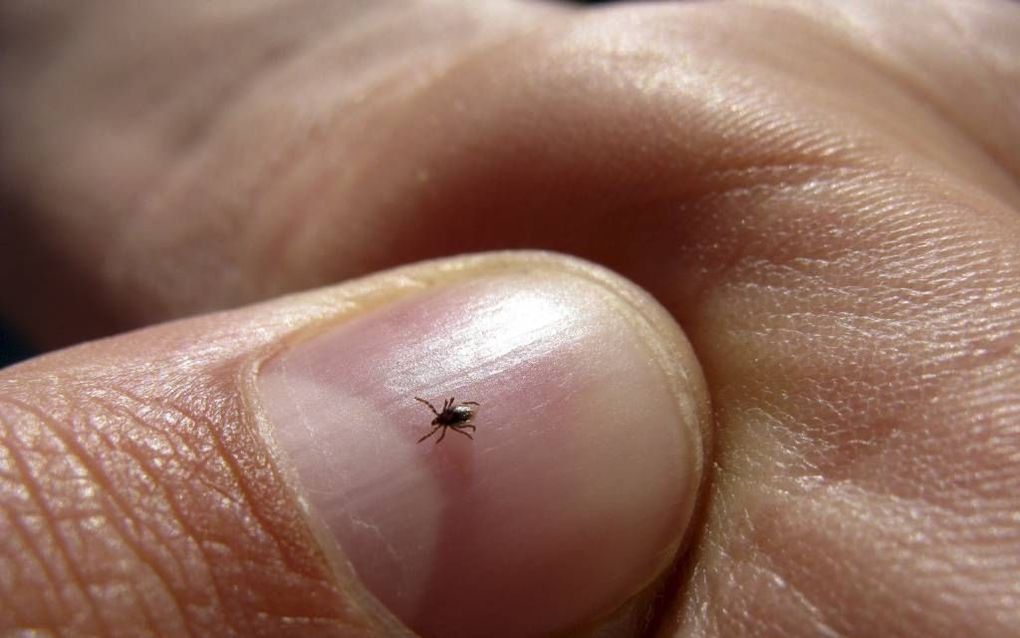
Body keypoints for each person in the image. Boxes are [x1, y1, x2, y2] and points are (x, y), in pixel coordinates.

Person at [1, 1, 1018, 636]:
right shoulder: (456, 417)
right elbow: (446, 417)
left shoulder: (448, 409)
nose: (447, 418)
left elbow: (444, 414)